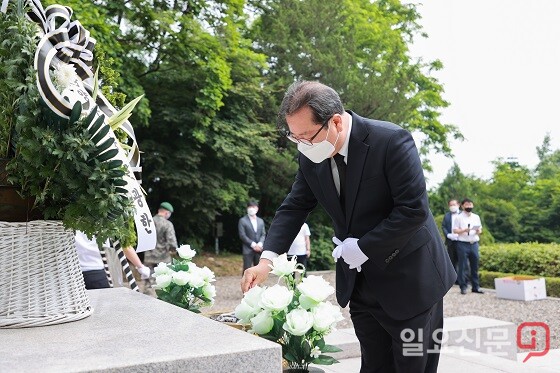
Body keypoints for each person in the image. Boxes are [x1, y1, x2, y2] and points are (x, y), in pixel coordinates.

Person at [241, 81, 456, 373]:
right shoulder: (311, 154)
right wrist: (266, 261)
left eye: (307, 136)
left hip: (411, 281)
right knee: (373, 365)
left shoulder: (391, 141)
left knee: (413, 367)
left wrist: (364, 247)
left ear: (336, 122)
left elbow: (413, 209)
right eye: (295, 138)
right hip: (361, 285)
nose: (302, 144)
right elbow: (294, 207)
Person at [75, 231, 150, 289]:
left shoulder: (65, 217)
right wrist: (140, 266)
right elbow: (124, 246)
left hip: (73, 274)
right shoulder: (104, 217)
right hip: (99, 270)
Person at [453, 198, 484, 295]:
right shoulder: (458, 217)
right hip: (463, 243)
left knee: (475, 266)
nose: (469, 206)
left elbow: (480, 228)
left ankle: (476, 286)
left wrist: (479, 231)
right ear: (462, 206)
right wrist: (463, 230)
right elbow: (455, 230)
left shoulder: (476, 217)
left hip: (474, 243)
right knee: (463, 266)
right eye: (466, 205)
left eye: (470, 204)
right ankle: (463, 286)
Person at [144, 202, 178, 272]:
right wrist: (174, 250)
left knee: (150, 281)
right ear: (166, 213)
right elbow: (172, 241)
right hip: (163, 258)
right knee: (163, 281)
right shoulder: (168, 224)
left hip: (149, 257)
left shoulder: (149, 222)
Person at [238, 200, 266, 273]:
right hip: (248, 249)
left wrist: (260, 244)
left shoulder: (260, 221)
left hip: (259, 249)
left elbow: (263, 234)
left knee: (258, 270)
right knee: (246, 270)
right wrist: (253, 245)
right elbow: (242, 235)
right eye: (249, 207)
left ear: (257, 208)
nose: (251, 209)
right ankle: (246, 284)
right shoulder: (242, 221)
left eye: (253, 207)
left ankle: (258, 284)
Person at [442, 199, 461, 278]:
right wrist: (448, 235)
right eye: (451, 205)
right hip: (450, 241)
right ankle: (453, 278)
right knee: (451, 260)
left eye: (454, 204)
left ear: (458, 205)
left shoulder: (462, 215)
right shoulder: (447, 215)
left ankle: (462, 279)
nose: (452, 206)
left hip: (461, 240)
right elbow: (444, 226)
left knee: (461, 261)